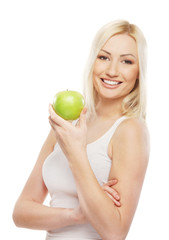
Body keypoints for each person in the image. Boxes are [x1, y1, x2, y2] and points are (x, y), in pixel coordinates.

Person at [13, 20, 150, 240]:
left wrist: (76, 154)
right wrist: (76, 214)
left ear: (138, 72)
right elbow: (21, 213)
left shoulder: (130, 130)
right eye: (104, 57)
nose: (112, 71)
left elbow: (115, 231)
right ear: (92, 62)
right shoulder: (69, 123)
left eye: (126, 61)